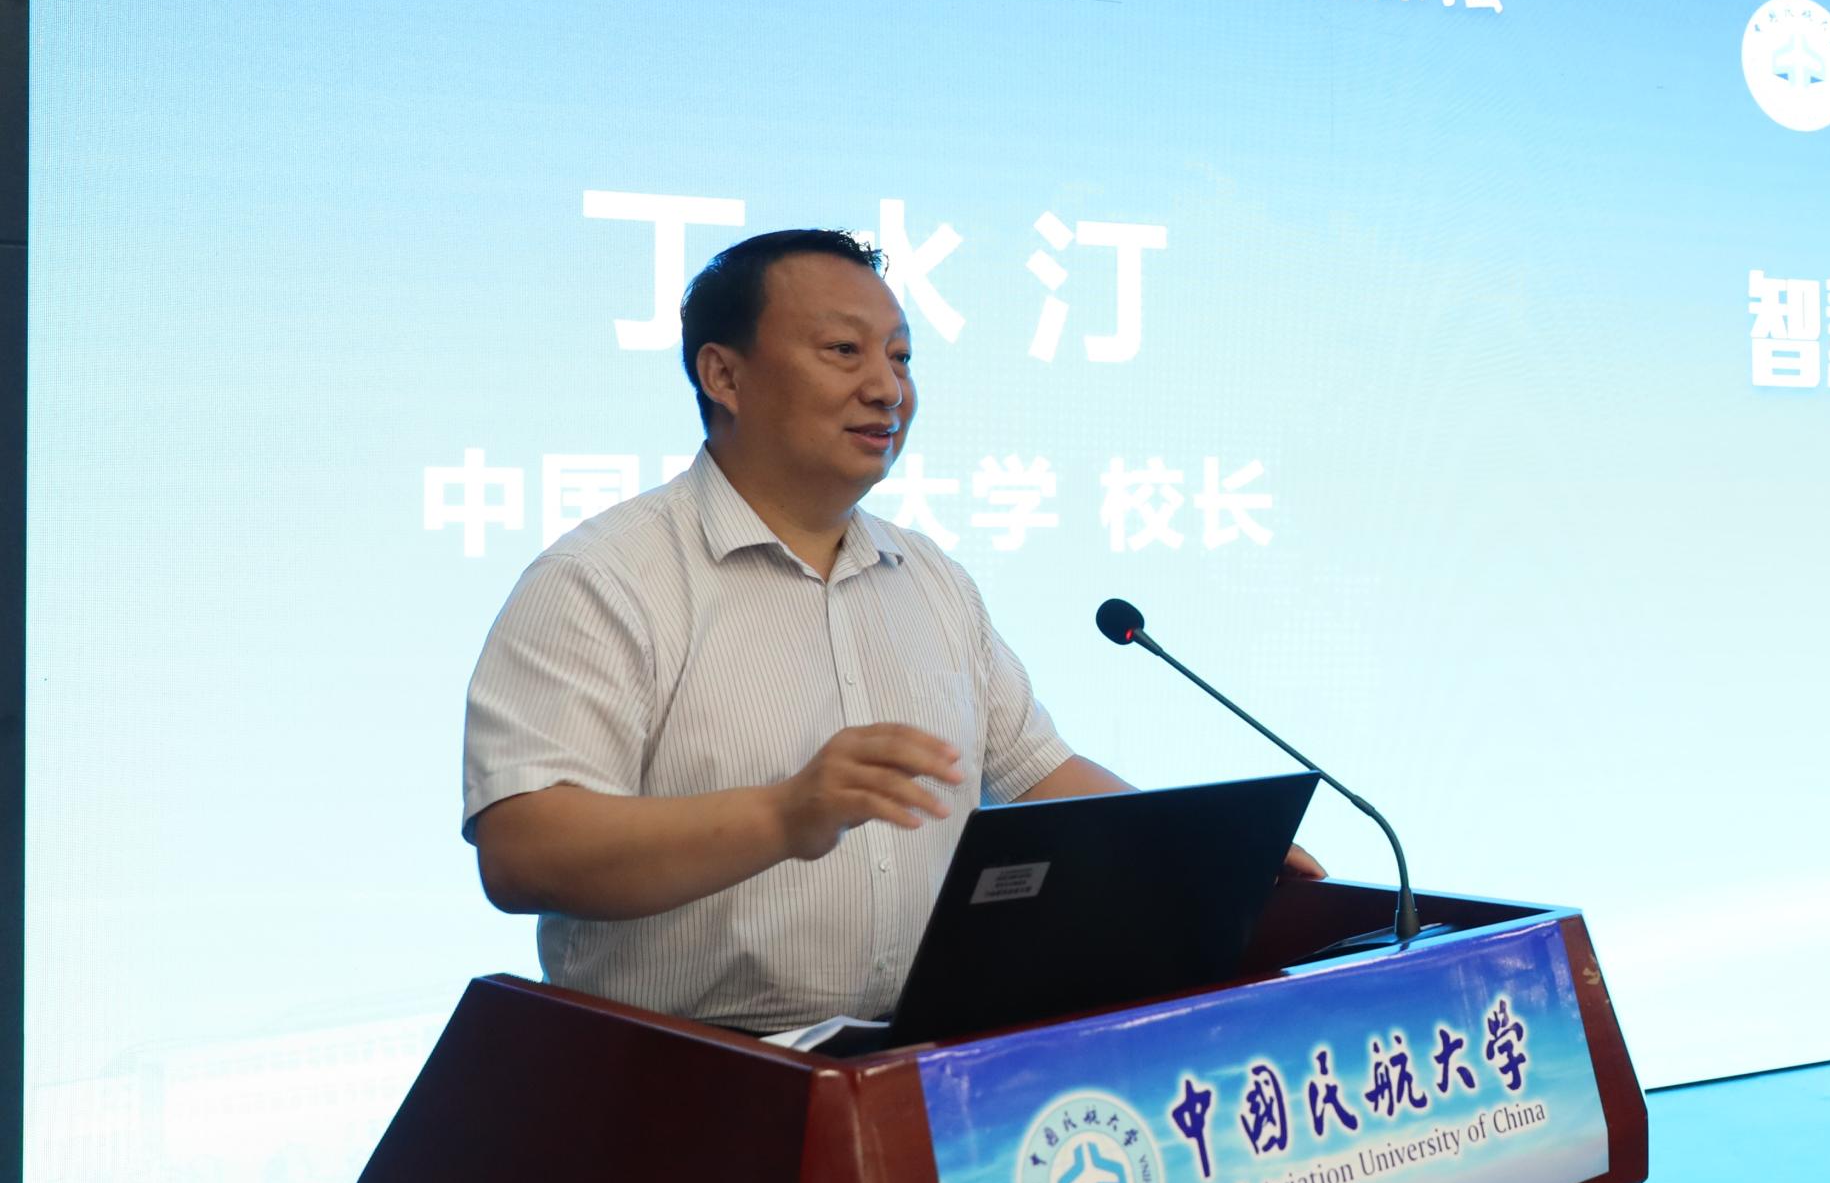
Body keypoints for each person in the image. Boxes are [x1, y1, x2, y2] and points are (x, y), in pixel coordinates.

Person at [462, 226, 1319, 1037]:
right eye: (844, 351)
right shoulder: (605, 579)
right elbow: (523, 850)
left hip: (918, 1066)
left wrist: (1209, 854)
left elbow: (1033, 773)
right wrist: (784, 815)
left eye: (901, 356)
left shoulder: (930, 578)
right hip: (691, 1076)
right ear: (723, 375)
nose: (887, 388)